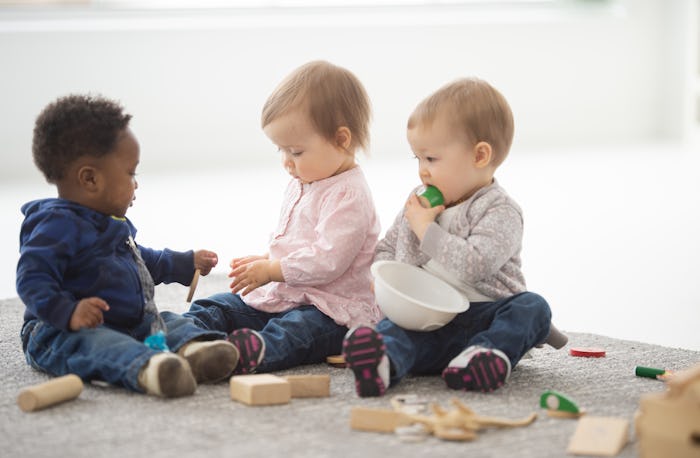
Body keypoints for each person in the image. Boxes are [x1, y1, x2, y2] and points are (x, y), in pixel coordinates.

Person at [342, 77, 567, 397]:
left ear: (479, 156)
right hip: (432, 320)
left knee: (533, 308)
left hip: (487, 316)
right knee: (394, 329)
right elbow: (389, 246)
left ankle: (484, 357)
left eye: (431, 159)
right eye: (417, 158)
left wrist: (424, 229)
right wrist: (381, 274)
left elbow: (475, 264)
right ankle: (381, 363)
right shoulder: (419, 201)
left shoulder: (500, 210)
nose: (422, 170)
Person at [17, 94, 240, 398]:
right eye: (131, 172)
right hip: (59, 330)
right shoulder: (55, 225)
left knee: (169, 322)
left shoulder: (109, 223)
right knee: (97, 345)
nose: (136, 183)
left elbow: (140, 260)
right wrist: (68, 312)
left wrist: (184, 263)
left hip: (126, 322)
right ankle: (149, 369)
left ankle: (194, 351)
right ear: (90, 179)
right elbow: (31, 279)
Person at [185, 60, 382, 373]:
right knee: (220, 305)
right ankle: (186, 339)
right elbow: (299, 241)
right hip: (286, 295)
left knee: (296, 331)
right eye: (281, 150)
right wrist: (267, 258)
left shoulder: (349, 195)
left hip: (329, 310)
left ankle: (241, 354)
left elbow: (327, 260)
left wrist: (273, 269)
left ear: (341, 140)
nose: (286, 162)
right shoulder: (305, 180)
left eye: (296, 151)